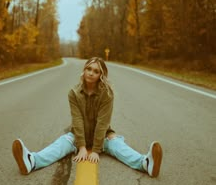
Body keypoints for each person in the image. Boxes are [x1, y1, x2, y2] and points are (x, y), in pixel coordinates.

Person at [12, 57, 163, 177]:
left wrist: (96, 150)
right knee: (60, 145)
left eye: (96, 71)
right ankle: (32, 161)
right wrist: (82, 147)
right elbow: (77, 120)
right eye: (88, 69)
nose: (91, 73)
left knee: (118, 146)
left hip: (103, 136)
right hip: (78, 135)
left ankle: (145, 163)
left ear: (100, 75)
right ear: (84, 70)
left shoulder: (107, 94)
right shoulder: (74, 93)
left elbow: (102, 123)